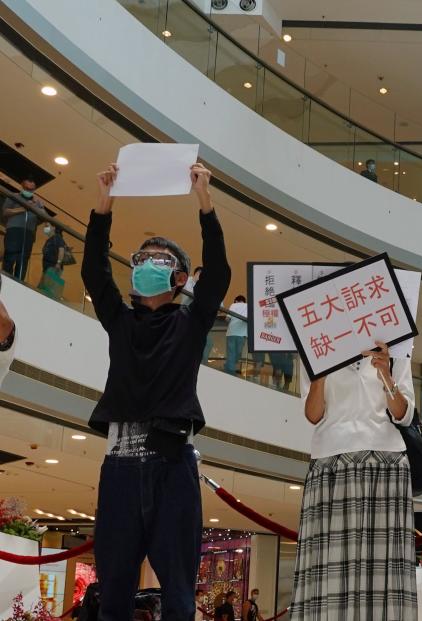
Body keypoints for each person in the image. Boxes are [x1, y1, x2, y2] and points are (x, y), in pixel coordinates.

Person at [87, 162, 229, 621]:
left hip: (173, 467)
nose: (146, 264)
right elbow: (93, 273)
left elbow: (221, 273)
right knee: (113, 596)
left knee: (180, 598)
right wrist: (104, 204)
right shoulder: (120, 322)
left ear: (181, 278)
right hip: (120, 470)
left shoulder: (190, 324)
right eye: (141, 258)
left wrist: (204, 201)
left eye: (160, 260)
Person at [290, 338, 418, 620]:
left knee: (384, 571)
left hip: (386, 463)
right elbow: (313, 414)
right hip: (330, 462)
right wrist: (320, 372)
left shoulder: (395, 344)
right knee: (328, 569)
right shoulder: (314, 339)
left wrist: (385, 372)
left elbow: (404, 414)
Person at [3, 178, 52, 281]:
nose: (29, 191)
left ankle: (19, 283)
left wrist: (39, 209)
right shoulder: (14, 196)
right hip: (14, 231)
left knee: (23, 260)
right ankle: (5, 281)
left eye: (32, 189)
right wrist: (24, 208)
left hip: (29, 234)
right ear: (22, 186)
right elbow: (5, 212)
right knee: (10, 257)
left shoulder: (37, 202)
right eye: (27, 188)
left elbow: (45, 217)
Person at [37, 222, 71, 299]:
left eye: (47, 226)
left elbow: (61, 250)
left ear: (54, 227)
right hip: (47, 268)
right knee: (43, 288)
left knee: (47, 290)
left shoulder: (57, 238)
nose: (45, 228)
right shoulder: (50, 240)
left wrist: (58, 263)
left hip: (53, 267)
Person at [224, 295, 247, 376]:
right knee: (238, 352)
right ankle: (231, 367)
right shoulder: (248, 306)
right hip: (242, 334)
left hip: (231, 332)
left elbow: (227, 319)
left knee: (231, 352)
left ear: (236, 300)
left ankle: (229, 369)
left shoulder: (233, 305)